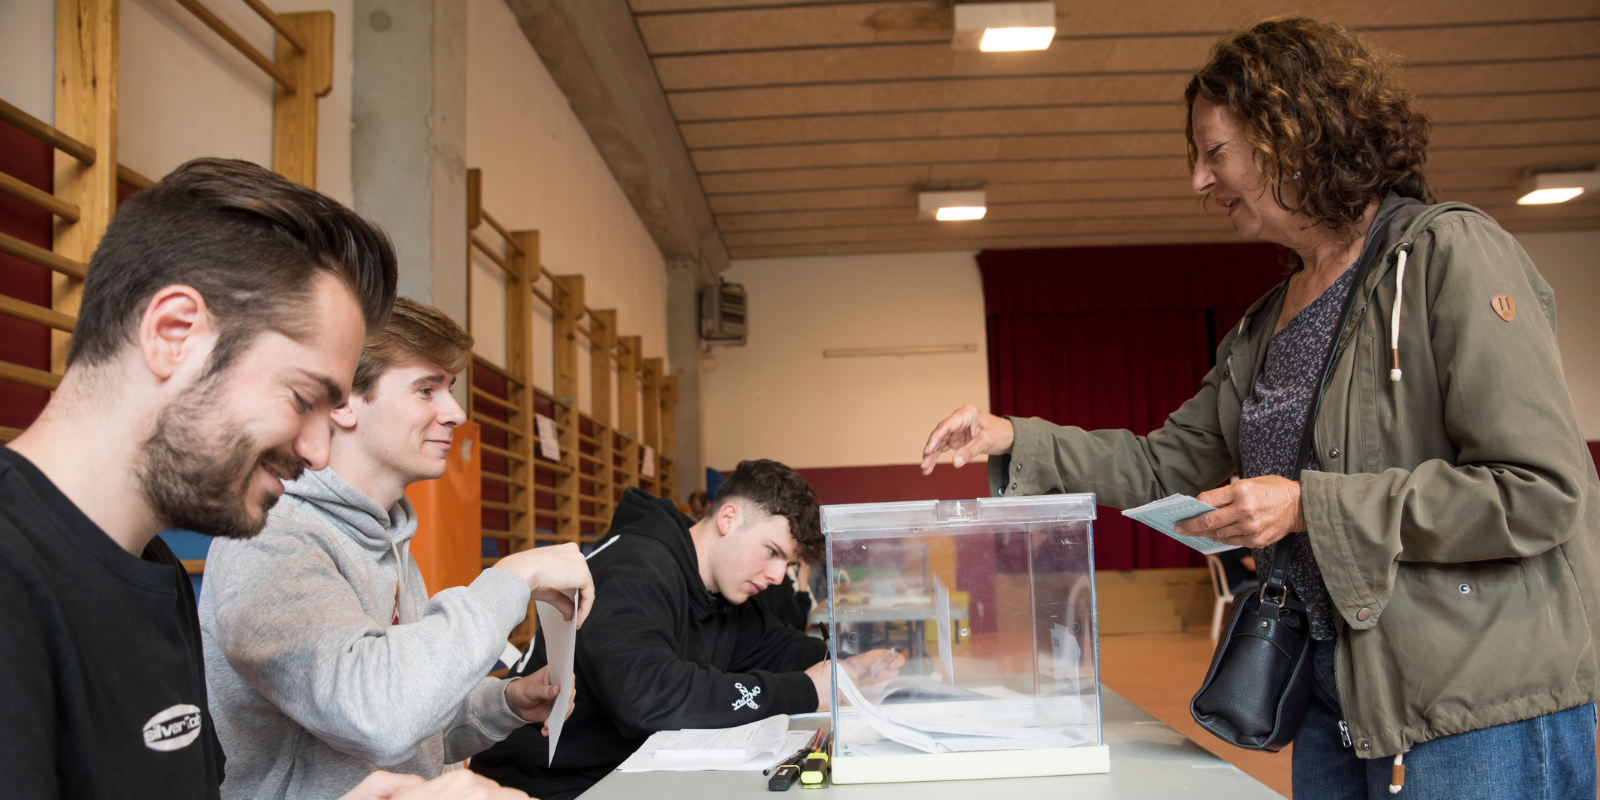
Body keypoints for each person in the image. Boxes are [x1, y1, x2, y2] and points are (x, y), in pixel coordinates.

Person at [921, 17, 1599, 800]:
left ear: (1294, 132)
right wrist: (1012, 435)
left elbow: (1539, 492)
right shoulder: (1268, 319)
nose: (1199, 181)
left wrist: (1310, 505)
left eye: (1215, 152)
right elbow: (1164, 463)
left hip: (1476, 706)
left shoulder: (1449, 256)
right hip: (1338, 696)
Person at [0, 158, 526, 800]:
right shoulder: (15, 577)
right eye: (303, 397)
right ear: (174, 333)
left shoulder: (155, 574)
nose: (315, 449)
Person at [198, 298, 595, 798]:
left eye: (448, 390)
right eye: (426, 390)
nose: (456, 413)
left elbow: (413, 720)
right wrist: (514, 576)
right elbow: (377, 715)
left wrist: (507, 702)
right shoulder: (268, 538)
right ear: (342, 402)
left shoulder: (385, 535)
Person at [469, 460, 903, 799]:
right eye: (772, 552)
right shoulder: (634, 569)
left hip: (622, 776)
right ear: (728, 518)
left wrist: (846, 666)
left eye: (787, 564)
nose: (776, 576)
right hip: (546, 786)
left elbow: (777, 647)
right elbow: (649, 696)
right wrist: (807, 690)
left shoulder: (721, 592)